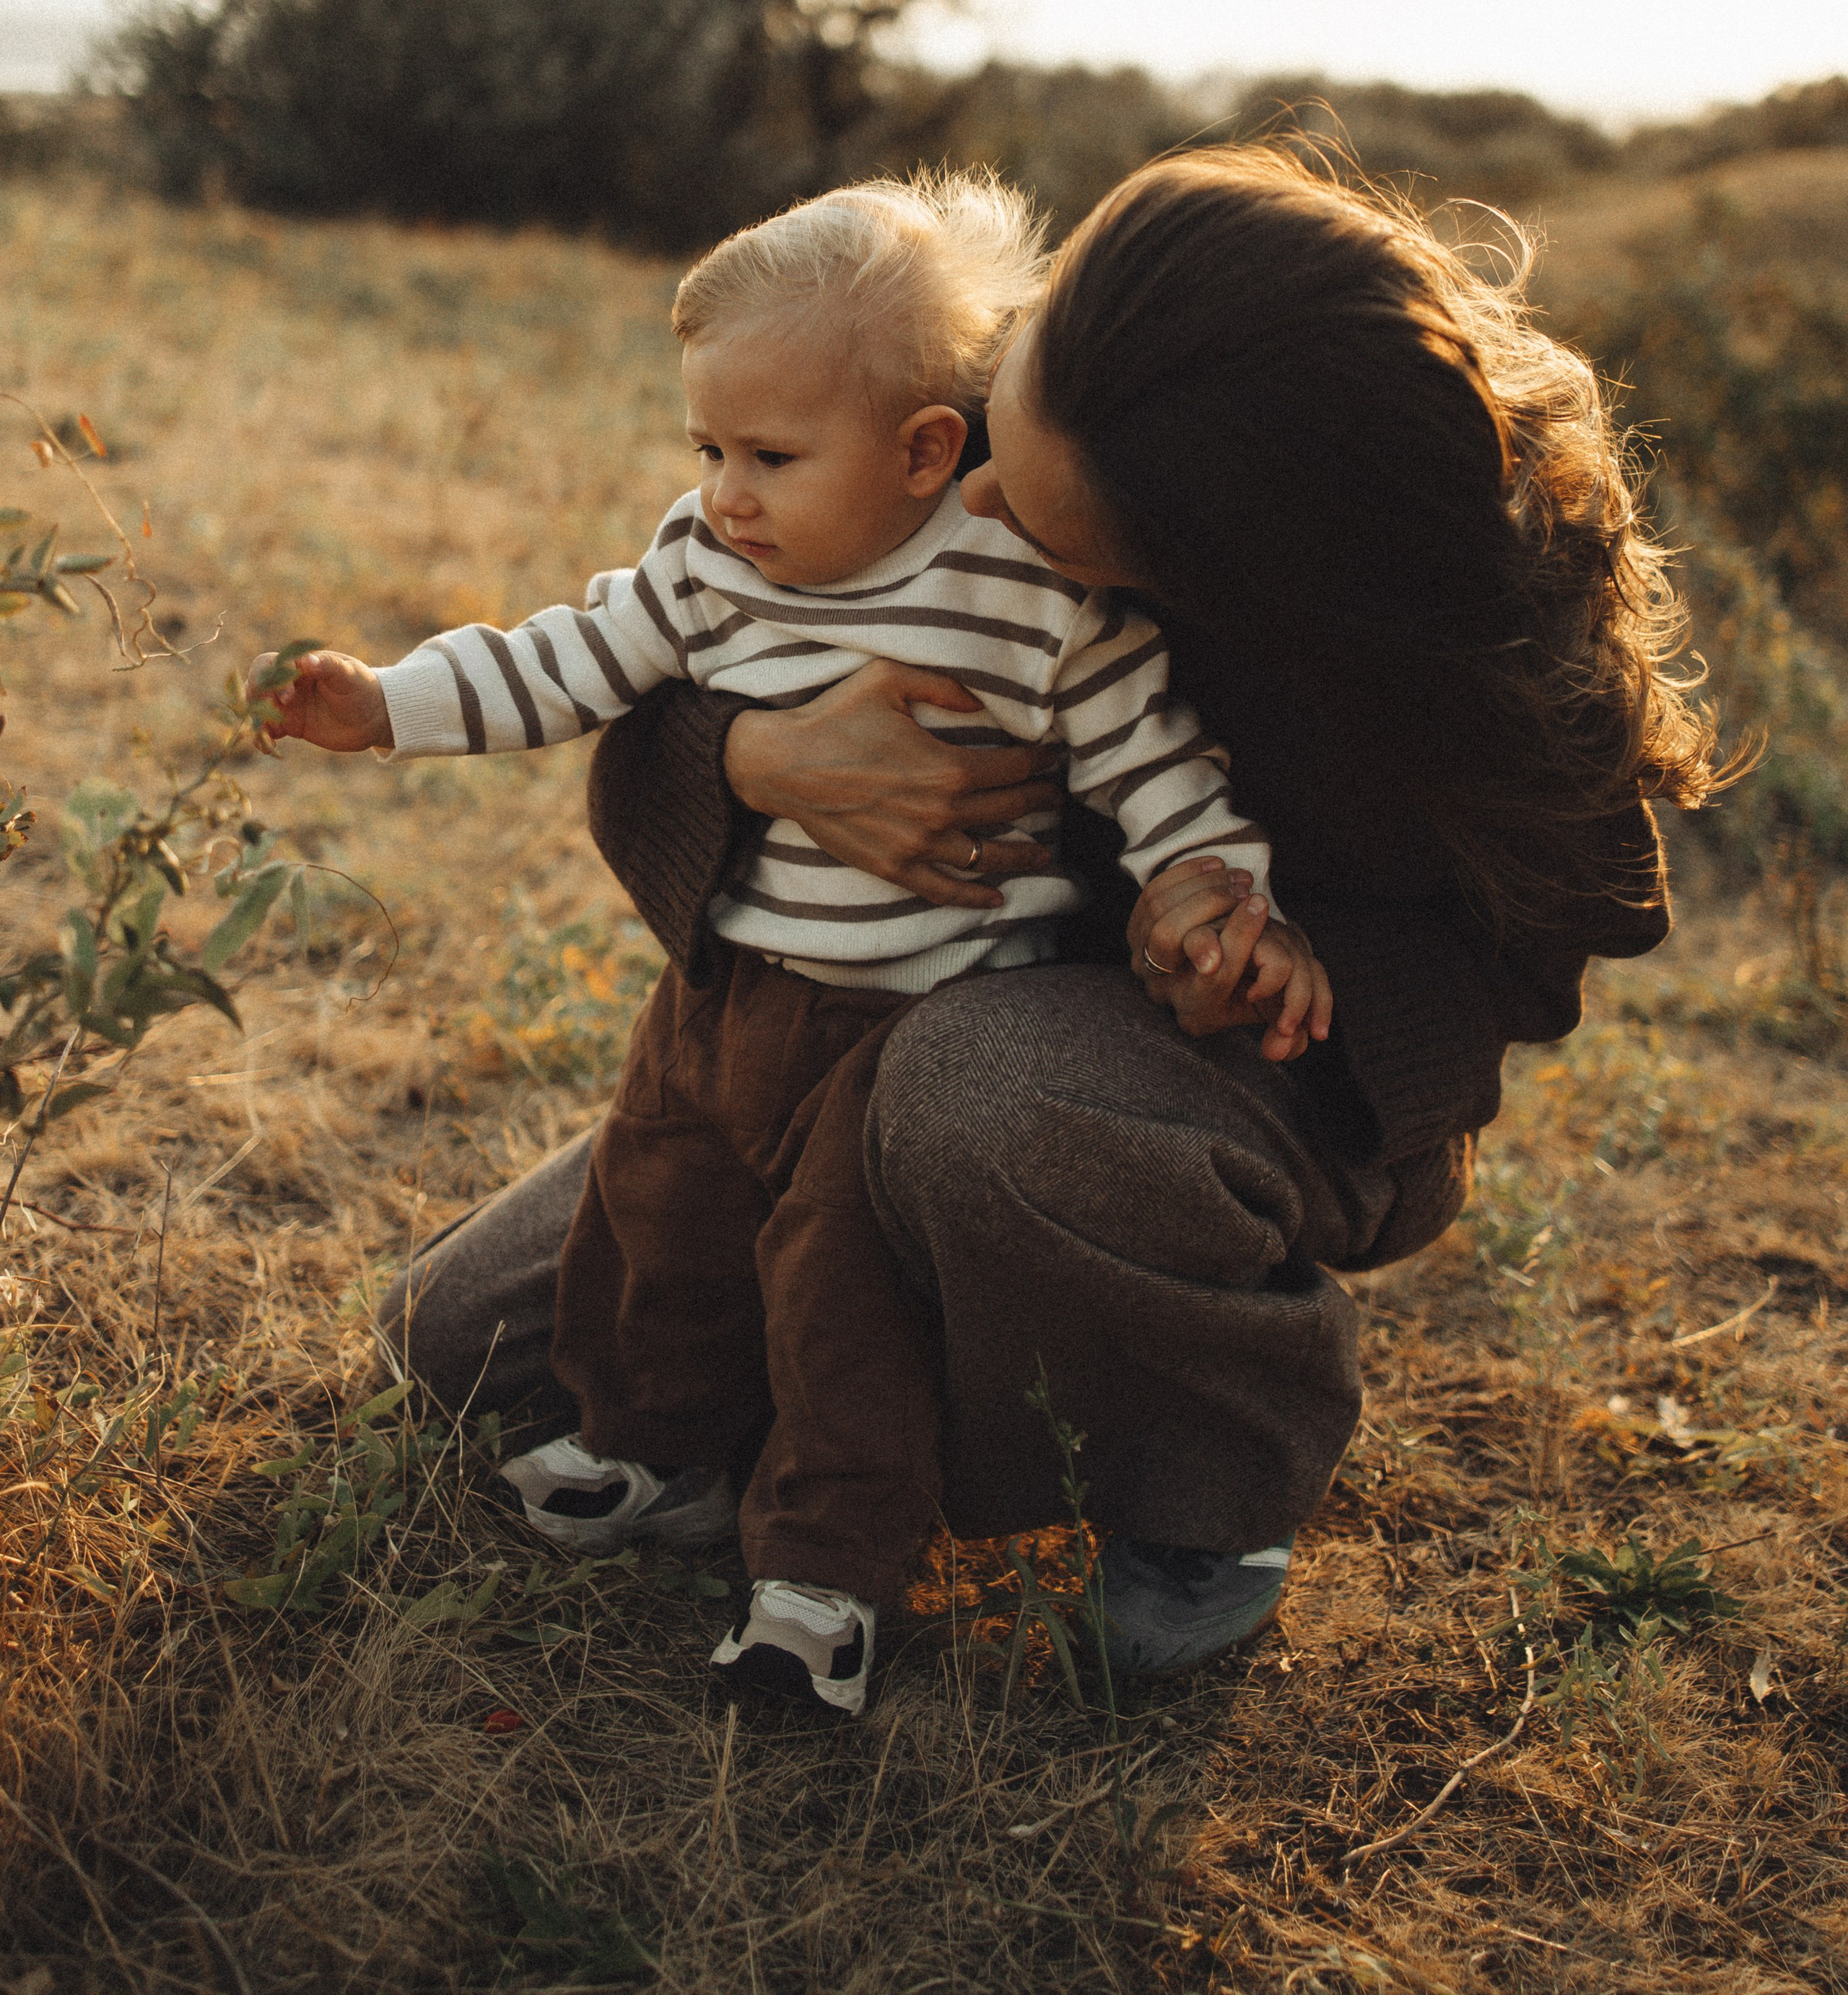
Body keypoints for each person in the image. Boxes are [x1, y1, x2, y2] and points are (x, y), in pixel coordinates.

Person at [372, 142, 1714, 1693]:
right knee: (463, 1345)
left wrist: (1264, 970)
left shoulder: (1432, 656)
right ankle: (876, 1364)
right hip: (856, 1029)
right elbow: (671, 674)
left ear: (1199, 578)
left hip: (1175, 1093)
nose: (983, 511)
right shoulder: (1057, 396)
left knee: (978, 1097)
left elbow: (1545, 955)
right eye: (989, 448)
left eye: (1044, 522)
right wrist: (759, 762)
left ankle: (1212, 1466)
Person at [254, 171, 1325, 1716]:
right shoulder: (707, 565)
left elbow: (1162, 773)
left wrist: (1216, 899)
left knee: (841, 1299)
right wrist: (385, 708)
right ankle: (658, 1456)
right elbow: (566, 658)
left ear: (922, 450)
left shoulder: (1034, 601)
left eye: (766, 453)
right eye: (705, 446)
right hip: (732, 997)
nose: (722, 490)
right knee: (656, 1218)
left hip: (914, 1042)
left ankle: (825, 1577)